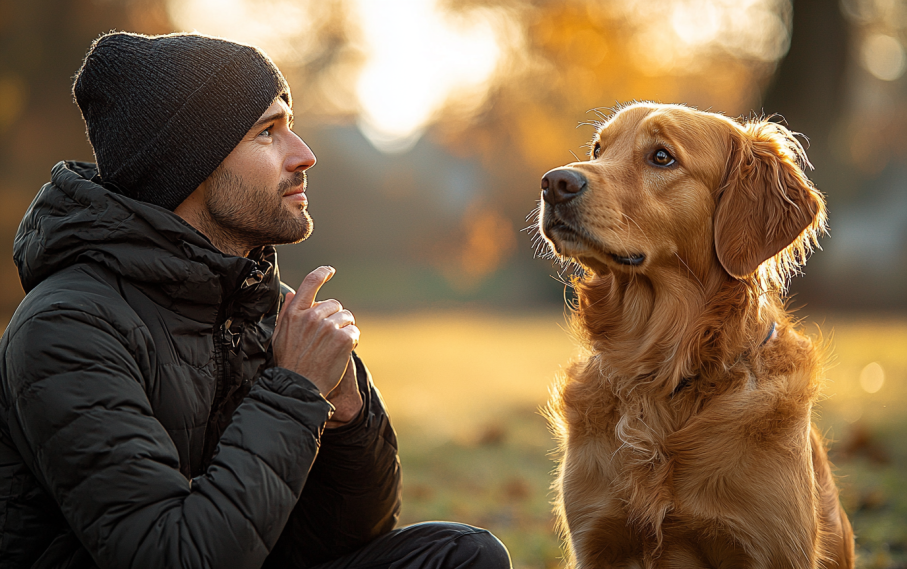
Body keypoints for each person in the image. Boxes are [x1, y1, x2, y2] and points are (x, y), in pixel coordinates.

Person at [0, 31, 512, 569]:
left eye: (291, 125)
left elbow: (348, 535)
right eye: (268, 132)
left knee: (462, 556)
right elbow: (175, 558)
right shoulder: (68, 326)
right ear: (189, 163)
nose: (305, 155)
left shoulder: (263, 308)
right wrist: (293, 392)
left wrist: (344, 416)